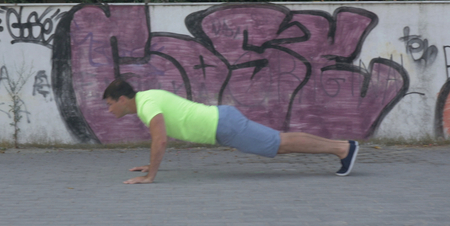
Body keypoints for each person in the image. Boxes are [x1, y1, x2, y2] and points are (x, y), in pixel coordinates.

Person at [103, 79, 359, 184]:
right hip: (223, 121)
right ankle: (342, 146)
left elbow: (160, 140)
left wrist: (150, 177)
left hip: (224, 126)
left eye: (110, 104)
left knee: (280, 143)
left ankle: (342, 148)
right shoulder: (147, 98)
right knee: (280, 141)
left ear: (123, 99)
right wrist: (150, 165)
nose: (110, 110)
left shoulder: (146, 105)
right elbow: (159, 140)